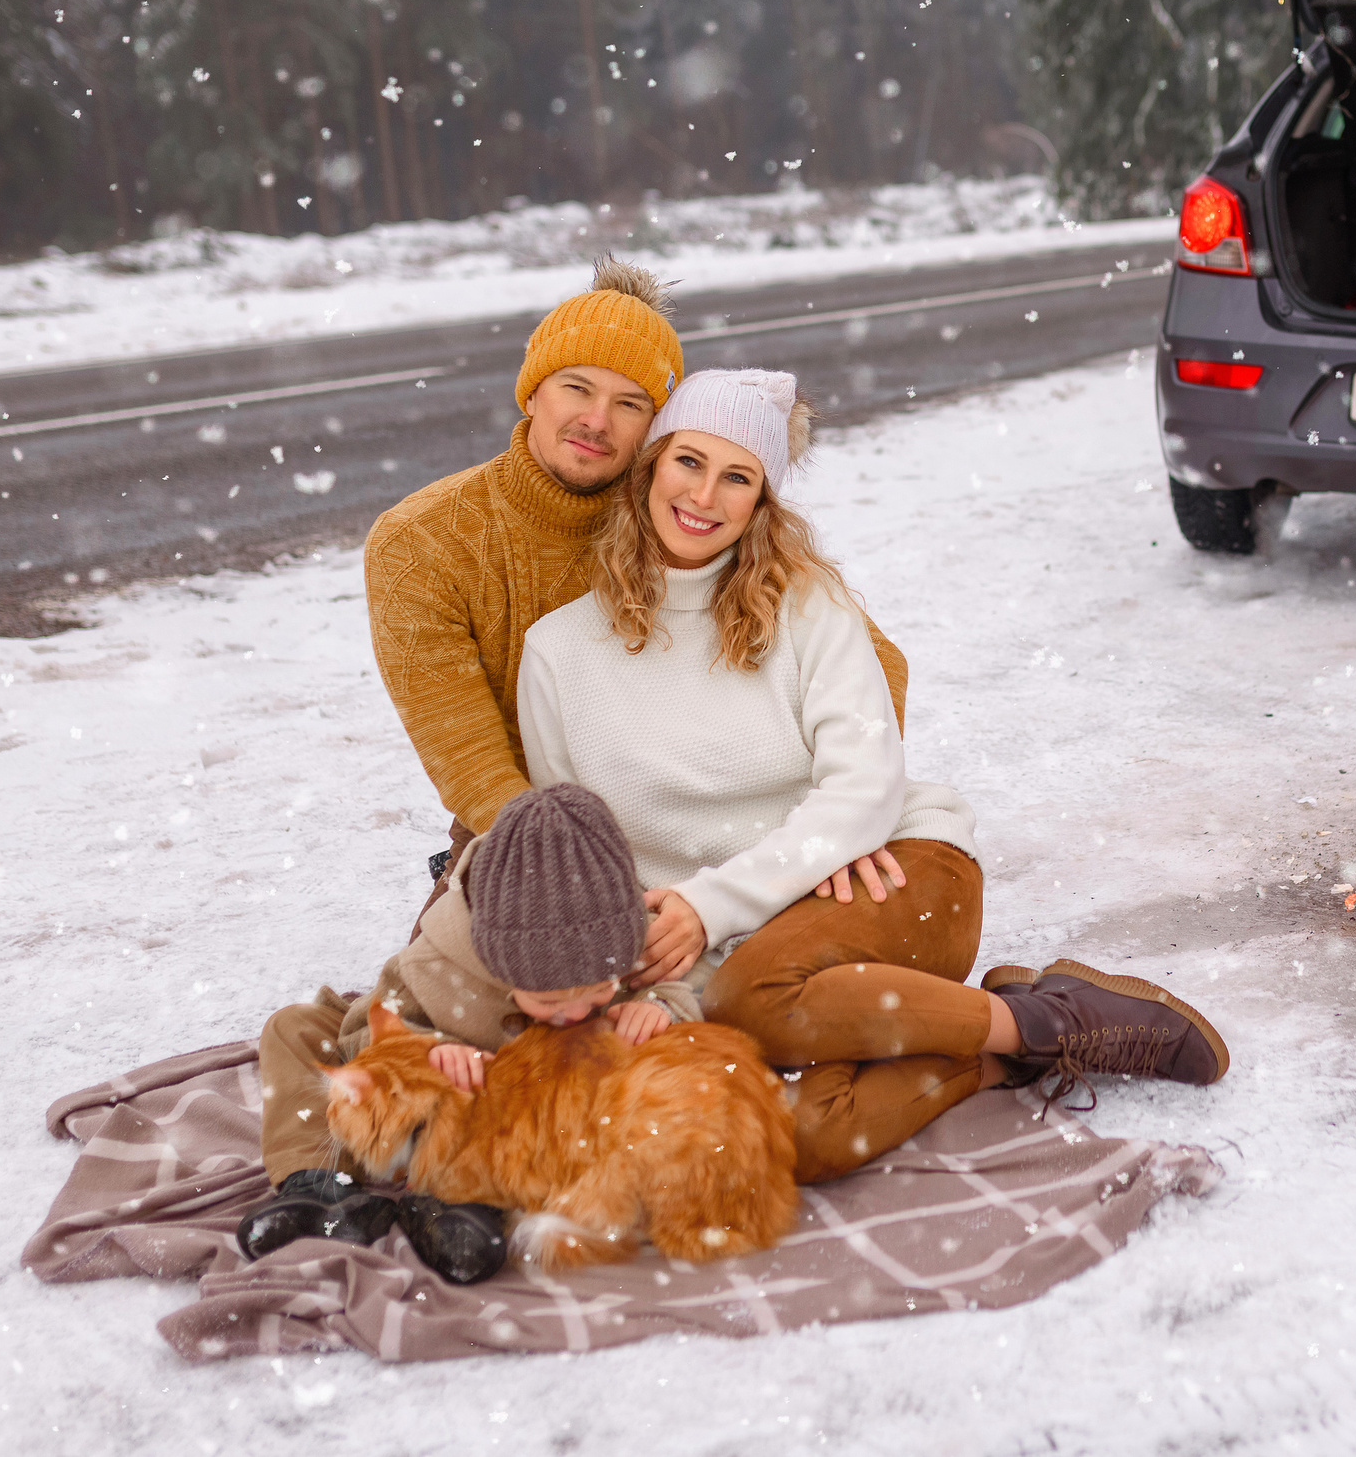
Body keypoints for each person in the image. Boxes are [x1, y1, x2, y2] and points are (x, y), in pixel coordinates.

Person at [516, 367, 1228, 1184]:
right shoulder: (557, 653)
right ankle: (1004, 1046)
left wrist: (721, 901)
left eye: (738, 476)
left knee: (753, 997)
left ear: (762, 499)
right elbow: (577, 852)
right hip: (727, 955)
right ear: (650, 466)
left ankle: (1060, 1021)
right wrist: (649, 984)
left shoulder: (804, 605)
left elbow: (864, 789)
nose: (704, 495)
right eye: (688, 461)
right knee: (789, 1137)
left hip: (892, 872)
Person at [362, 257, 907, 966]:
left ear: (655, 424)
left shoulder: (676, 509)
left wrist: (828, 834)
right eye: (576, 387)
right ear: (532, 391)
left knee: (744, 1002)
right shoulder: (421, 541)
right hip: (524, 824)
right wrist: (574, 877)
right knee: (456, 1008)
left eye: (630, 403)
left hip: (717, 821)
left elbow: (875, 663)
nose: (597, 420)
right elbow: (468, 757)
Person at [239, 781, 691, 1283]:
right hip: (419, 1102)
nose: (576, 1012)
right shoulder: (433, 963)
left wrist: (659, 1006)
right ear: (497, 964)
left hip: (505, 1126)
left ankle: (456, 1210)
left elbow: (681, 996)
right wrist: (430, 1049)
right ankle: (317, 1188)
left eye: (601, 990)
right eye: (548, 1001)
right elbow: (363, 1033)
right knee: (293, 1028)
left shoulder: (617, 941)